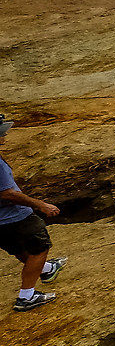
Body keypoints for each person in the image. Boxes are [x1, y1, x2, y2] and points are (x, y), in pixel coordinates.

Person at [0, 115, 64, 310]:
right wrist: (40, 204)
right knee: (39, 248)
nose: (5, 136)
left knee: (21, 249)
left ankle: (45, 269)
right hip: (15, 216)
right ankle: (26, 296)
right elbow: (7, 193)